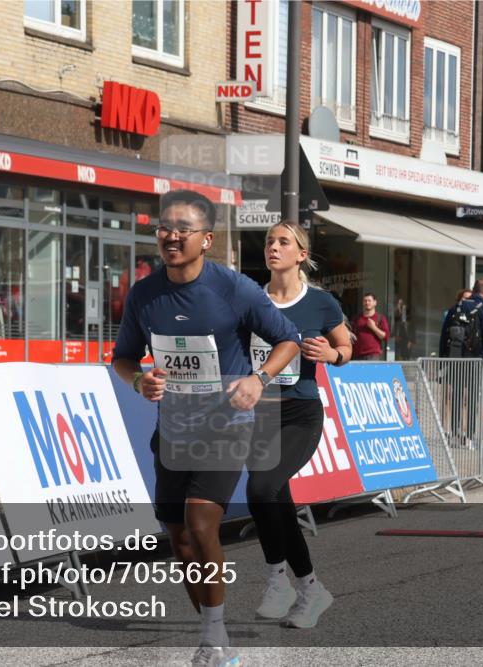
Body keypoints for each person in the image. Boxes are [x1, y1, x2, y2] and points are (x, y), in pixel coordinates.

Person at [111, 190, 300, 667]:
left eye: (183, 229)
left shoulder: (234, 289)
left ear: (207, 239)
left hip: (226, 426)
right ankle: (212, 632)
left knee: (200, 526)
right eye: (164, 228)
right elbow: (123, 358)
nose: (171, 237)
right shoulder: (145, 293)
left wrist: (259, 380)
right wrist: (140, 379)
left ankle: (215, 643)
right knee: (180, 541)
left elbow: (288, 340)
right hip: (173, 430)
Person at [247, 221, 351, 629]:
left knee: (261, 487)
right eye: (270, 241)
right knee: (276, 502)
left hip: (301, 413)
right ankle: (310, 589)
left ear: (300, 254)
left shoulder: (321, 303)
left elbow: (346, 346)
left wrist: (332, 353)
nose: (274, 247)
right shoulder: (252, 300)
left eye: (283, 242)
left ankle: (277, 580)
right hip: (259, 414)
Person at [438, 279, 483, 447]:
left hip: (456, 358)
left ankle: (454, 434)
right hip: (475, 359)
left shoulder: (456, 308)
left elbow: (444, 335)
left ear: (473, 291)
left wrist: (443, 358)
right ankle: (469, 437)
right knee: (472, 398)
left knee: (456, 396)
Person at [351, 293, 389, 360]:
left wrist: (374, 327)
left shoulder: (380, 318)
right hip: (357, 355)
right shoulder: (356, 318)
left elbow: (385, 336)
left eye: (369, 300)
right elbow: (351, 334)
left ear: (375, 303)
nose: (367, 303)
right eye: (365, 301)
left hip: (373, 356)